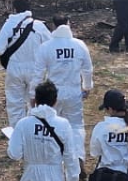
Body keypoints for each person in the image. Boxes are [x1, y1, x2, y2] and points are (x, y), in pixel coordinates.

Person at [35, 15, 94, 171]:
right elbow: (87, 69)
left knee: (51, 125)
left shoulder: (46, 46)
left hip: (53, 92)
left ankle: (53, 159)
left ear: (53, 27)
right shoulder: (79, 45)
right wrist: (87, 87)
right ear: (69, 24)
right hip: (74, 90)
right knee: (75, 126)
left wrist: (34, 95)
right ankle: (78, 158)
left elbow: (38, 73)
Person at [0, 0, 52, 126]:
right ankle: (35, 128)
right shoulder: (39, 25)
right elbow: (50, 45)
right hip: (36, 69)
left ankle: (16, 131)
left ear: (14, 8)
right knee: (36, 101)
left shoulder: (9, 24)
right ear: (30, 8)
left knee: (14, 102)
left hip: (14, 68)